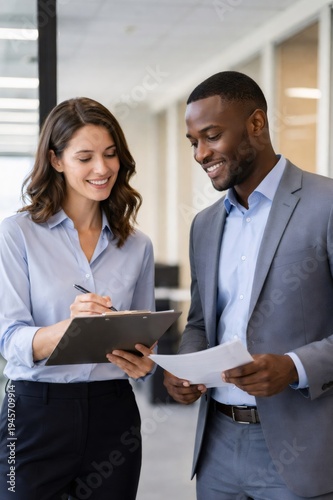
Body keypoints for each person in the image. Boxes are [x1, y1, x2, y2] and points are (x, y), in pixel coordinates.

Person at [164, 71, 333, 500]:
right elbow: (201, 322)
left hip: (300, 448)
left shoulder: (326, 204)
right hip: (217, 444)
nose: (201, 154)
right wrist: (186, 368)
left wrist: (293, 366)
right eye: (193, 143)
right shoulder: (204, 225)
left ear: (256, 125)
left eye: (212, 136)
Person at [0, 97, 156, 500]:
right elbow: (10, 340)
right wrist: (67, 330)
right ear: (56, 160)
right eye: (84, 157)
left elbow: (144, 336)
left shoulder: (137, 246)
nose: (101, 169)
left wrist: (143, 359)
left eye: (110, 154)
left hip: (113, 411)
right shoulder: (17, 234)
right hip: (34, 411)